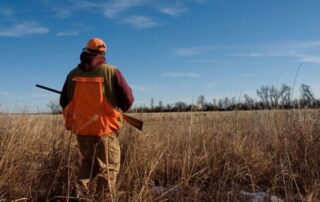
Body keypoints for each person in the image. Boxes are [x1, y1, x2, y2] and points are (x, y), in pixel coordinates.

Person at [59, 37, 134, 199]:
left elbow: (63, 101)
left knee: (88, 163)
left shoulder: (72, 74)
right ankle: (104, 198)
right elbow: (128, 100)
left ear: (85, 51)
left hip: (82, 130)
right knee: (109, 167)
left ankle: (79, 193)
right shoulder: (111, 71)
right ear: (103, 53)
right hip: (104, 131)